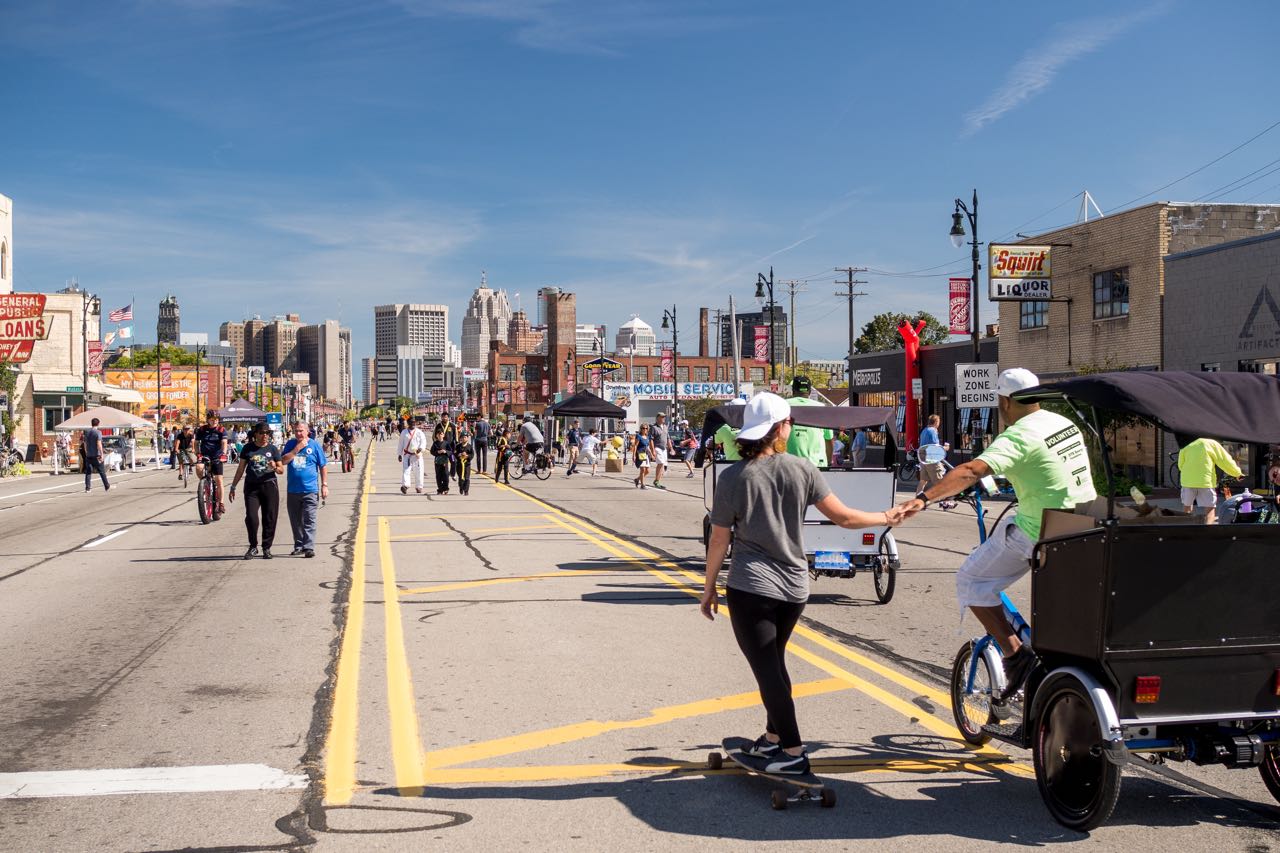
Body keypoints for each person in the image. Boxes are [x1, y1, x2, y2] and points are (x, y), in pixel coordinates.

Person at [700, 392, 902, 775]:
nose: (790, 428)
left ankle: (793, 752)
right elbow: (843, 518)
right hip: (794, 590)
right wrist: (885, 515)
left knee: (767, 672)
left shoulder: (731, 477)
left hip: (752, 588)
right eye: (789, 422)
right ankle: (773, 740)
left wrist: (708, 587)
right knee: (775, 665)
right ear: (779, 429)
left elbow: (719, 539)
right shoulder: (803, 469)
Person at [895, 368, 1096, 704]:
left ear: (1004, 402)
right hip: (1082, 526)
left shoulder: (1018, 435)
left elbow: (973, 470)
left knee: (971, 579)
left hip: (1040, 532)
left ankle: (1016, 655)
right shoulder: (1062, 423)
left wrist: (922, 499)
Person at [228, 423, 283, 559]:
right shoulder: (248, 448)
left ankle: (267, 548)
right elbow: (241, 469)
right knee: (252, 517)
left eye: (267, 433)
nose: (265, 435)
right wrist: (233, 486)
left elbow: (281, 470)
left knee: (269, 518)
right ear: (256, 434)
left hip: (269, 486)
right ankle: (253, 546)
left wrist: (274, 467)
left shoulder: (273, 449)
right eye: (262, 433)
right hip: (252, 487)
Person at [280, 421, 328, 558]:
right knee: (295, 521)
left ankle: (308, 547)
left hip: (310, 490)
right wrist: (296, 449)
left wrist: (324, 485)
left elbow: (323, 466)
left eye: (301, 431)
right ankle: (299, 545)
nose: (298, 433)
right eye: (296, 431)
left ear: (307, 431)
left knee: (309, 519)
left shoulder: (314, 445)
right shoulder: (290, 444)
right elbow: (283, 461)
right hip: (293, 490)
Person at [1177, 435, 1242, 524]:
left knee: (1187, 508)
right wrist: (1237, 473)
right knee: (1210, 510)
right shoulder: (1212, 444)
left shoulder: (1186, 444)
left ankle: (1185, 530)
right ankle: (1208, 532)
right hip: (1206, 482)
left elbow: (1180, 465)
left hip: (1188, 482)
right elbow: (1225, 461)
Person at [785, 376, 832, 467]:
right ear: (809, 392)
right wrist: (829, 462)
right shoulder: (822, 408)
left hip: (790, 466)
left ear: (793, 391)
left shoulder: (783, 406)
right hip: (817, 465)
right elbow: (828, 440)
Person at [918, 414, 956, 510]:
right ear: (936, 422)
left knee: (923, 481)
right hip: (932, 459)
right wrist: (945, 448)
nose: (939, 424)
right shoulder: (933, 431)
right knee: (940, 482)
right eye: (938, 422)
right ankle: (945, 503)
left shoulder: (924, 431)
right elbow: (935, 447)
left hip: (923, 459)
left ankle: (917, 502)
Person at [195, 410, 230, 512]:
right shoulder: (202, 429)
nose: (214, 421)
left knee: (219, 480)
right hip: (205, 455)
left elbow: (224, 443)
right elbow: (196, 443)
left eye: (216, 419)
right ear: (208, 420)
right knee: (199, 467)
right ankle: (204, 485)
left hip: (217, 456)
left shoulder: (221, 429)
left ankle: (221, 503)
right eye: (212, 419)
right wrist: (198, 453)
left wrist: (223, 454)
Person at [398, 418, 427, 494]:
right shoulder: (404, 432)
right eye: (411, 422)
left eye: (414, 422)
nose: (413, 424)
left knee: (419, 471)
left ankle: (419, 487)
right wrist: (399, 454)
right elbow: (400, 444)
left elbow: (423, 442)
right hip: (407, 455)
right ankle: (405, 486)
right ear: (408, 423)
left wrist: (420, 448)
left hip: (417, 455)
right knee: (406, 471)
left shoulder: (419, 432)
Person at [81, 417, 110, 492]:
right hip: (96, 455)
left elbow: (85, 443)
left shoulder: (87, 432)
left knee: (88, 472)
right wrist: (102, 454)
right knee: (101, 471)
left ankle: (87, 488)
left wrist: (87, 452)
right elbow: (99, 444)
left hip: (89, 456)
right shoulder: (98, 432)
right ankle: (106, 485)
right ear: (98, 424)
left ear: (91, 423)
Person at [651, 412, 672, 489]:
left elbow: (668, 438)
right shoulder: (653, 427)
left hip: (664, 448)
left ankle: (657, 481)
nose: (664, 418)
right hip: (657, 447)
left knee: (663, 465)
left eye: (664, 417)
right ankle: (656, 481)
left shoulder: (665, 427)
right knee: (661, 463)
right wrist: (653, 450)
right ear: (658, 418)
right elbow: (651, 440)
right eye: (662, 417)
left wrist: (671, 448)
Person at [430, 425, 452, 495]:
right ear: (436, 435)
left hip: (445, 461)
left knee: (445, 475)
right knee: (438, 476)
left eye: (441, 434)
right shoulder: (435, 443)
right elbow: (432, 451)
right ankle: (440, 489)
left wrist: (445, 451)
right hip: (437, 462)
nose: (440, 436)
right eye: (438, 434)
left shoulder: (446, 443)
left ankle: (446, 488)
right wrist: (437, 452)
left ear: (443, 435)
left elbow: (450, 451)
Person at [632, 422, 653, 489]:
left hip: (646, 454)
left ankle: (637, 479)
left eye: (646, 428)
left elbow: (647, 447)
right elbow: (635, 446)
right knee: (643, 469)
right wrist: (634, 455)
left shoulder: (647, 437)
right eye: (643, 428)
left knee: (647, 471)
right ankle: (642, 485)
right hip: (640, 453)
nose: (645, 429)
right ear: (641, 429)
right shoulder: (638, 436)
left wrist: (652, 454)